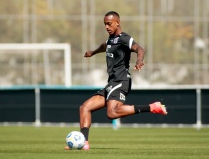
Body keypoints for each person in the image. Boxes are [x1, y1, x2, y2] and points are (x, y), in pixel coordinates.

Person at [65, 11, 167, 150]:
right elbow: (103, 46)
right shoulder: (110, 40)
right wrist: (93, 52)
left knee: (112, 113)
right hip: (112, 82)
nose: (107, 27)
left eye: (109, 24)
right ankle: (84, 143)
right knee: (85, 108)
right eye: (105, 24)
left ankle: (152, 107)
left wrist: (139, 61)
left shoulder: (124, 38)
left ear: (118, 22)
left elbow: (139, 48)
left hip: (121, 80)